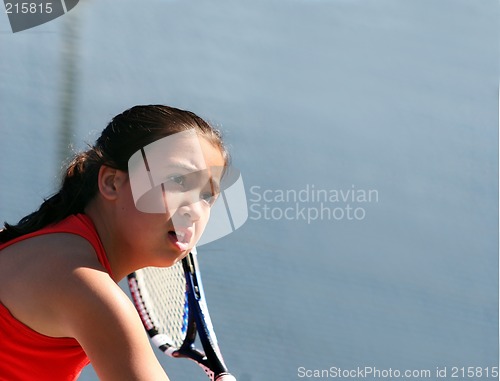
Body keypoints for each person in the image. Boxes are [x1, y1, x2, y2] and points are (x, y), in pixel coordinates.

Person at [0, 105, 229, 381]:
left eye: (207, 195)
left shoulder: (48, 244)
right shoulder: (91, 292)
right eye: (177, 180)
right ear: (111, 183)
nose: (194, 210)